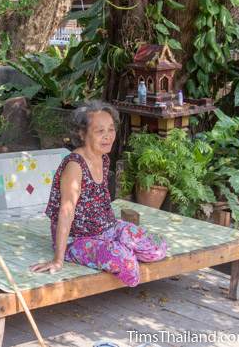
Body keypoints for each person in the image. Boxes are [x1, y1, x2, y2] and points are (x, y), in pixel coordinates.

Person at [30, 100, 167, 286]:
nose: (108, 136)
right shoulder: (75, 165)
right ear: (82, 134)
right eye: (100, 131)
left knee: (156, 249)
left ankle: (119, 245)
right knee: (127, 265)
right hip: (78, 238)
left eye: (111, 130)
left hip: (107, 228)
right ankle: (110, 250)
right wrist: (58, 260)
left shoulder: (103, 158)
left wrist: (117, 233)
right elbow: (66, 211)